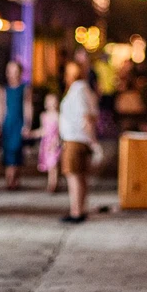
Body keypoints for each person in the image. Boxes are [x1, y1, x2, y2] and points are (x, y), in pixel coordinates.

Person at [59, 61, 98, 223]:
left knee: (74, 176)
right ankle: (81, 209)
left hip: (75, 139)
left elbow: (86, 116)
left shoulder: (78, 90)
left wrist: (93, 141)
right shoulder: (85, 89)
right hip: (81, 139)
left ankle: (76, 211)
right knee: (81, 176)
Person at [1, 61, 32, 190]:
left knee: (16, 150)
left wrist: (27, 124)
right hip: (8, 123)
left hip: (19, 122)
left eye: (16, 71)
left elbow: (27, 106)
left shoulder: (25, 88)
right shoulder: (5, 89)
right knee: (8, 151)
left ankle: (14, 179)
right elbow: (3, 107)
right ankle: (9, 179)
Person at [35, 93, 63, 193]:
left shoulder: (58, 116)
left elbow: (60, 131)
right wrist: (32, 134)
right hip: (46, 143)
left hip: (54, 143)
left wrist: (57, 142)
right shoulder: (43, 116)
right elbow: (43, 130)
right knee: (50, 164)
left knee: (54, 164)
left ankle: (53, 184)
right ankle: (51, 183)